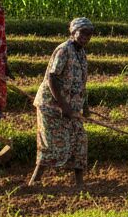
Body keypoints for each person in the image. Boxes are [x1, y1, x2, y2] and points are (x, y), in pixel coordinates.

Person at [26, 17, 94, 188]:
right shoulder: (63, 50)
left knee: (80, 139)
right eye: (82, 33)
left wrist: (84, 107)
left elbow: (81, 85)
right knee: (52, 143)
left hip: (71, 107)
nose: (85, 37)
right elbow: (52, 77)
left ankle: (79, 183)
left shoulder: (82, 54)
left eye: (89, 34)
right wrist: (63, 105)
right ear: (73, 32)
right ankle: (35, 179)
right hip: (51, 106)